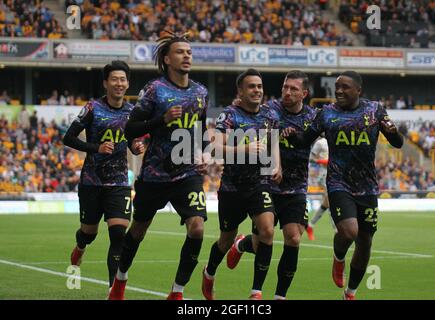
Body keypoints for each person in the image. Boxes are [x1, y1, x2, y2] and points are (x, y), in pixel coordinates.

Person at [282, 71, 403, 300]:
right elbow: (304, 140)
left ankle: (350, 293)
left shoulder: (375, 110)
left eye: (345, 87)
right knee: (349, 231)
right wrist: (290, 134)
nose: (339, 91)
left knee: (365, 242)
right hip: (339, 182)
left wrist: (394, 133)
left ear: (359, 90)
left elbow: (397, 143)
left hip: (367, 187)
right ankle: (338, 259)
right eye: (337, 87)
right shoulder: (326, 113)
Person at [108, 31, 210, 300]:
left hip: (187, 173)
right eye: (180, 51)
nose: (186, 55)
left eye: (189, 51)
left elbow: (201, 129)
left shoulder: (201, 92)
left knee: (197, 227)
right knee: (138, 231)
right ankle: (120, 280)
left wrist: (204, 153)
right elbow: (130, 128)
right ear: (166, 59)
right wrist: (161, 120)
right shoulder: (154, 90)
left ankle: (177, 292)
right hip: (154, 175)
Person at [225, 70, 316, 300]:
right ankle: (242, 245)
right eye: (285, 87)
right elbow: (246, 108)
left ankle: (278, 296)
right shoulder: (270, 110)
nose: (287, 92)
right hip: (266, 185)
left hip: (296, 187)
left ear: (304, 93)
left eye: (293, 89)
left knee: (293, 237)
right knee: (261, 241)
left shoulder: (313, 117)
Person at [63, 61, 145, 289]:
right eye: (114, 79)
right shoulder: (92, 108)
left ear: (127, 83)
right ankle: (81, 246)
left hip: (119, 182)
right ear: (105, 83)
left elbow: (131, 140)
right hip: (91, 181)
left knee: (119, 234)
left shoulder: (133, 112)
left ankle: (113, 290)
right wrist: (96, 147)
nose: (119, 84)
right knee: (89, 233)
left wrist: (135, 147)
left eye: (123, 80)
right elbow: (68, 138)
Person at [201, 68, 281, 300]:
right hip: (232, 188)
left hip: (260, 184)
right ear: (241, 91)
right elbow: (214, 147)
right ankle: (209, 272)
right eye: (251, 86)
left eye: (259, 86)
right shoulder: (229, 115)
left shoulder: (270, 116)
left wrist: (277, 165)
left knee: (267, 231)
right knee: (225, 239)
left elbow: (273, 141)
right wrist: (242, 149)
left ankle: (256, 292)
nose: (257, 90)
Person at [306, 134, 337, 241]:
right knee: (331, 202)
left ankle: (310, 225)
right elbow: (311, 158)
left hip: (334, 175)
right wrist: (324, 161)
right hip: (323, 175)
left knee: (327, 203)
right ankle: (336, 230)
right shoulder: (320, 142)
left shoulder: (334, 139)